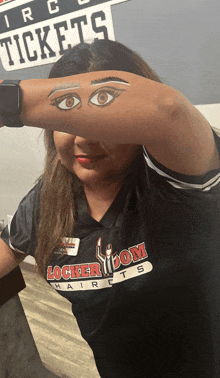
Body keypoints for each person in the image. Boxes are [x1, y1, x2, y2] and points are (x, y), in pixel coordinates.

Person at [0, 39, 220, 377]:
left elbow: (168, 110)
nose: (84, 139)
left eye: (102, 125)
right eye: (69, 124)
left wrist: (5, 101)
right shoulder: (50, 197)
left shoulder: (180, 182)